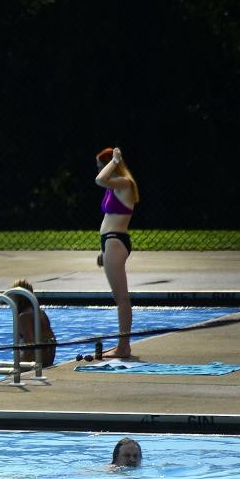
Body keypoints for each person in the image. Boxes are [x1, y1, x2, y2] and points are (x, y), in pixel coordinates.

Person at [95, 146, 140, 359]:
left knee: (122, 298)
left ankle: (124, 347)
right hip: (109, 243)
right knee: (118, 296)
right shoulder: (114, 187)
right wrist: (101, 251)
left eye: (99, 166)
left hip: (115, 241)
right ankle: (122, 345)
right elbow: (108, 219)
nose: (98, 170)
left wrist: (114, 161)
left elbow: (100, 179)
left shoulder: (124, 183)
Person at [8, 279, 56, 367]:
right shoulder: (40, 312)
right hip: (49, 355)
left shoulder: (24, 316)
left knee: (11, 374)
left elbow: (30, 344)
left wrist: (18, 367)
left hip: (40, 357)